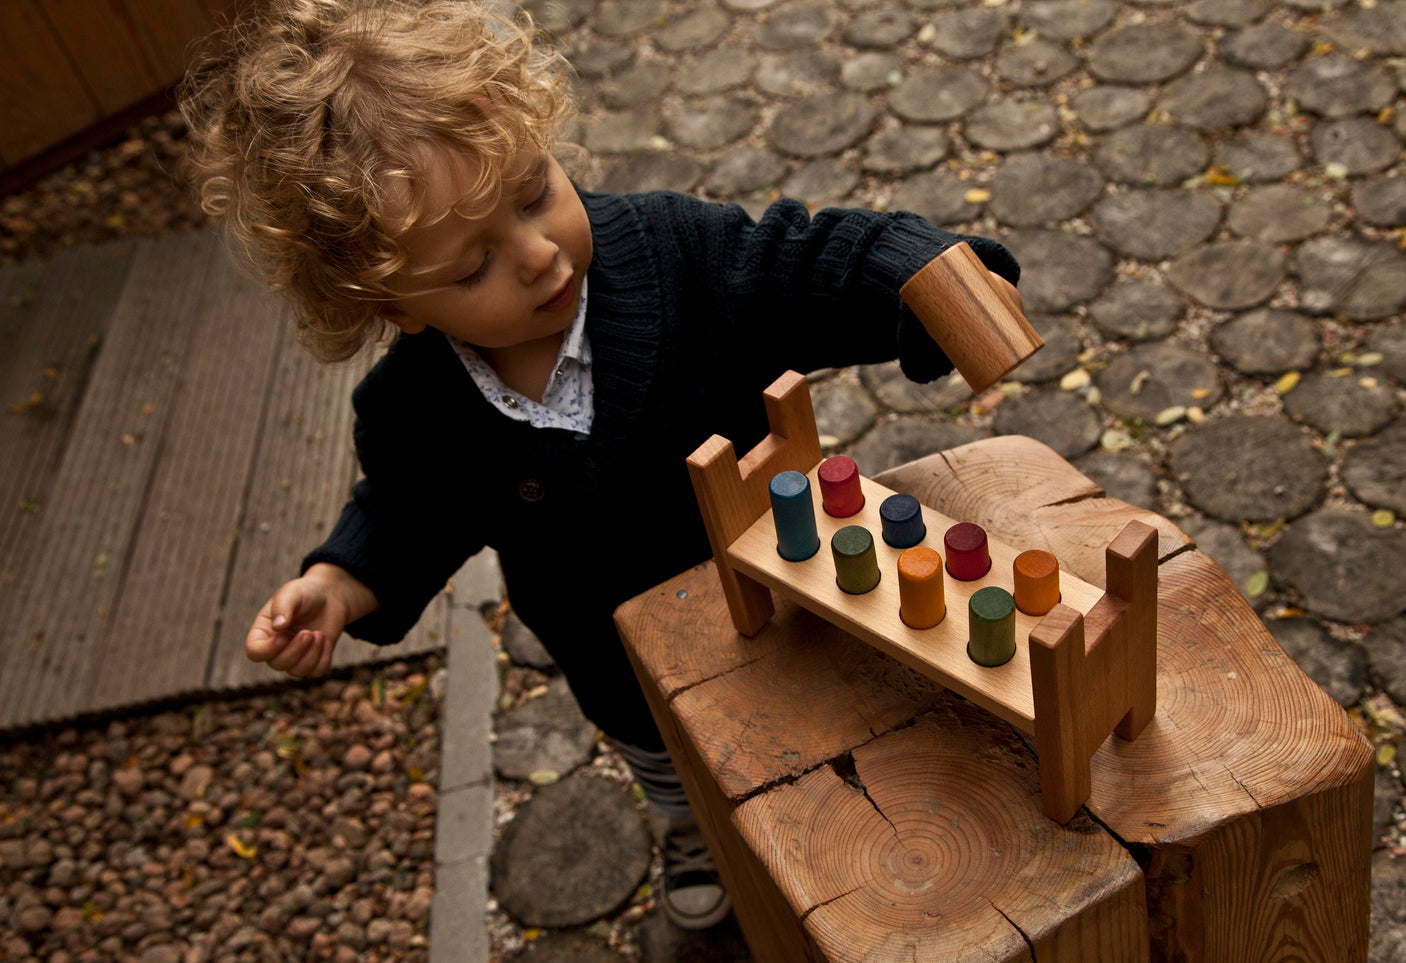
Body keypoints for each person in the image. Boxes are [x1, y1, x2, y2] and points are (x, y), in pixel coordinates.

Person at [180, 0, 1020, 932]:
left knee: (820, 719)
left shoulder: (676, 255)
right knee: (665, 751)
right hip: (615, 655)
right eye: (472, 268)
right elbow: (409, 507)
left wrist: (918, 275)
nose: (540, 255)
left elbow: (798, 263)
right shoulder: (414, 406)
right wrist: (342, 581)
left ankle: (851, 794)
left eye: (536, 191)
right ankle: (694, 823)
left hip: (779, 590)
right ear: (396, 304)